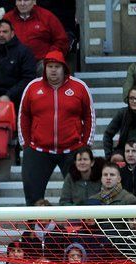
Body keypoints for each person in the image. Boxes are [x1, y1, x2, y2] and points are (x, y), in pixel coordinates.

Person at [18, 50, 93, 205]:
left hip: (72, 150)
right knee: (32, 196)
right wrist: (26, 145)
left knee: (79, 196)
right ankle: (33, 228)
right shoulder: (32, 87)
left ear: (64, 68)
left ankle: (81, 229)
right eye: (50, 66)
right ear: (44, 68)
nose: (53, 70)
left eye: (57, 66)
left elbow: (89, 116)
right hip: (38, 150)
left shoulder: (80, 87)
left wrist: (85, 145)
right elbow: (23, 116)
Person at [0, 19, 38, 105]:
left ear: (12, 33)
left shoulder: (25, 51)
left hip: (16, 94)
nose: (1, 35)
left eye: (5, 32)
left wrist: (9, 96)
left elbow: (28, 78)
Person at [4, 0, 68, 61]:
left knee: (48, 67)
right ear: (15, 2)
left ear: (34, 1)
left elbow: (61, 41)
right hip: (13, 62)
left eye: (26, 0)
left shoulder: (47, 16)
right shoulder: (8, 18)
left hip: (41, 61)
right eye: (19, 0)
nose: (22, 4)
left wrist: (50, 56)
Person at [103, 87, 136, 162]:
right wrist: (108, 156)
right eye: (131, 98)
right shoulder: (123, 113)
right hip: (124, 149)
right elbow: (108, 134)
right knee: (116, 158)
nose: (134, 101)